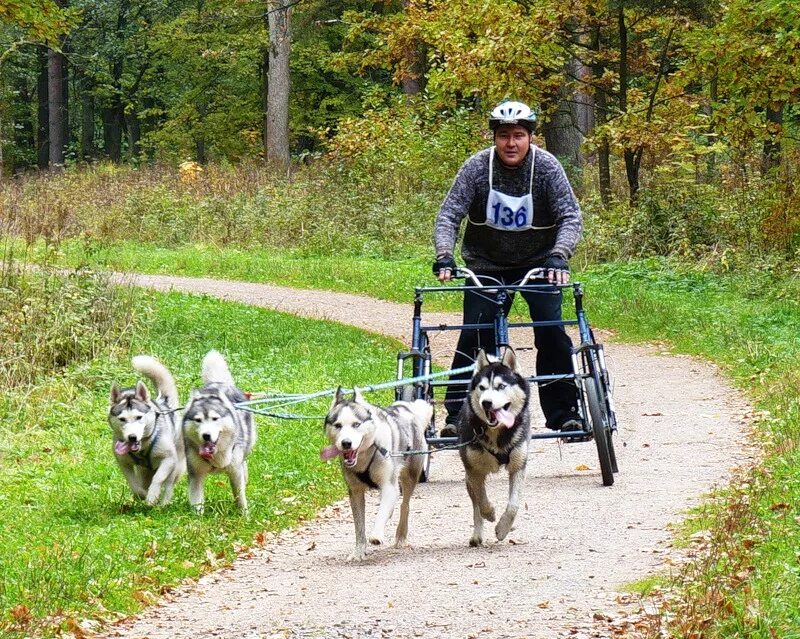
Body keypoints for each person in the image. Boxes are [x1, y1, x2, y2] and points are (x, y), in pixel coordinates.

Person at [432, 100, 585, 439]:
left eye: (518, 135)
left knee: (551, 331)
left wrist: (559, 255)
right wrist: (445, 255)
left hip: (539, 264)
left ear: (530, 137)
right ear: (495, 138)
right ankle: (457, 415)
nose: (511, 143)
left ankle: (565, 413)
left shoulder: (546, 168)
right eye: (504, 136)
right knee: (475, 337)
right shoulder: (476, 168)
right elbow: (449, 215)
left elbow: (570, 216)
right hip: (485, 263)